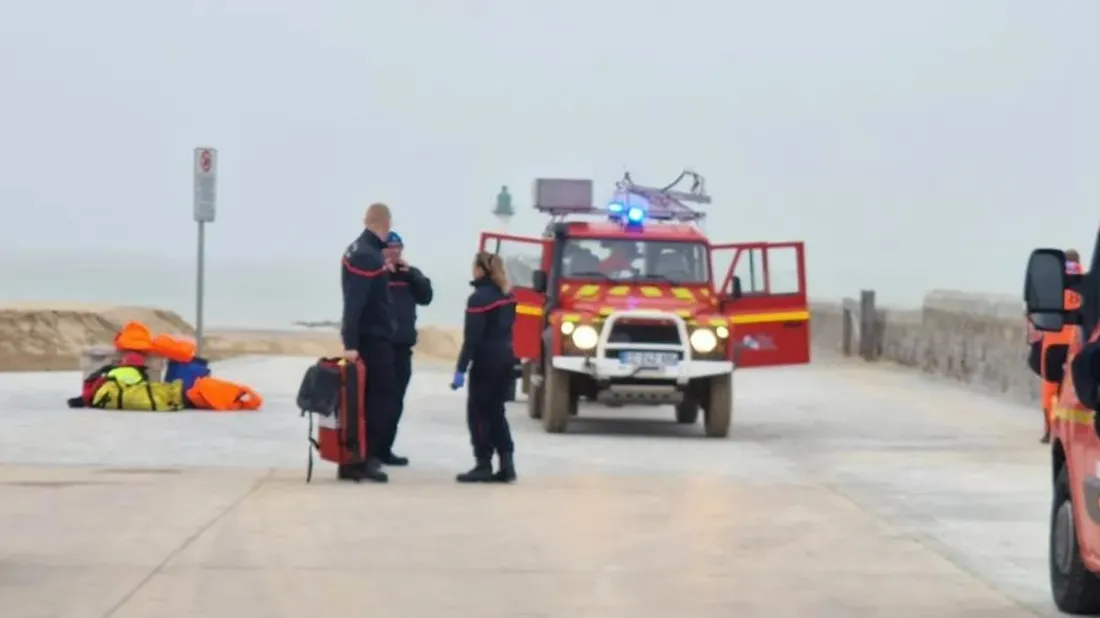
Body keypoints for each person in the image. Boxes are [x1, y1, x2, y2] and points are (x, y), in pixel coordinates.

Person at [340, 202, 397, 483]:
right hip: (372, 340)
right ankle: (365, 458)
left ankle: (355, 459)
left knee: (363, 401)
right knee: (377, 401)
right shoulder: (367, 255)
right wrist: (349, 343)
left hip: (369, 337)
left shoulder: (359, 249)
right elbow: (355, 303)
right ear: (383, 223)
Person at [450, 252, 518, 483]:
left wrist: (460, 369)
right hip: (507, 359)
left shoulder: (479, 299)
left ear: (480, 270)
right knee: (497, 413)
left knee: (478, 414)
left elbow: (472, 339)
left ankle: (483, 464)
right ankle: (507, 464)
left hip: (486, 362)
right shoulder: (508, 295)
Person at [380, 231, 433, 466]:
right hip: (380, 347)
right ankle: (370, 450)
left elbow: (426, 296)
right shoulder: (375, 273)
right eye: (390, 247)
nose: (395, 251)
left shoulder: (410, 274)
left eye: (398, 247)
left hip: (403, 347)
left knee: (396, 402)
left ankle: (385, 449)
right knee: (377, 401)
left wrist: (411, 274)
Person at [1037, 249, 1084, 443]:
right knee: (1077, 391)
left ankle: (1050, 429)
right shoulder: (1088, 284)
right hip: (1078, 343)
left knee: (1051, 387)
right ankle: (1076, 432)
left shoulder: (1054, 282)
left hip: (1054, 342)